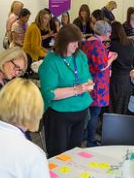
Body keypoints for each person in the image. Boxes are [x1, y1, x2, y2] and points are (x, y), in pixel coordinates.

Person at [39, 24, 94, 157]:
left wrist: (88, 85)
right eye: (73, 42)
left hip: (81, 111)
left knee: (74, 153)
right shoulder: (51, 62)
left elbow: (87, 78)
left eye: (78, 42)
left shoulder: (80, 56)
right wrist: (76, 89)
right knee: (58, 154)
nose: (76, 46)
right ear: (63, 42)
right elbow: (49, 93)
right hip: (59, 116)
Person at [82, 20, 116, 147]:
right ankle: (91, 140)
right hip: (97, 83)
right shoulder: (97, 45)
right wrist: (112, 58)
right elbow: (102, 66)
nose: (110, 35)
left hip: (89, 80)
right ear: (105, 32)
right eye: (109, 32)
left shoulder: (87, 42)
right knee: (95, 113)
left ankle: (86, 135)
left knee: (89, 112)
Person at [109, 21, 134, 114]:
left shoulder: (111, 45)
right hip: (129, 79)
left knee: (114, 106)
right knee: (125, 106)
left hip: (116, 78)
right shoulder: (131, 43)